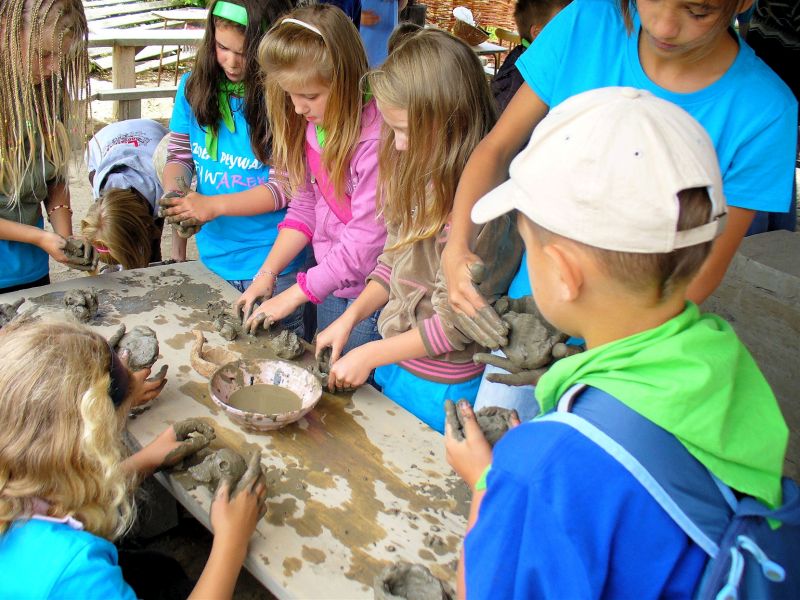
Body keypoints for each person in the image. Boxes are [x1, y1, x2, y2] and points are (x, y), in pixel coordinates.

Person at [445, 87, 788, 598]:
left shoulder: (538, 470)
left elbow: (485, 586)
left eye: (528, 243)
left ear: (561, 273)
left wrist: (489, 486)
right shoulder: (727, 366)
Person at [442, 0, 798, 319]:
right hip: (534, 304)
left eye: (697, 11)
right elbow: (497, 147)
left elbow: (704, 269)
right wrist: (458, 247)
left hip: (642, 336)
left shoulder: (765, 111)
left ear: (744, 3)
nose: (663, 26)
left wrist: (610, 349)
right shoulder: (586, 21)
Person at [315, 29, 522, 433]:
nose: (401, 145)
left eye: (407, 130)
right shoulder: (420, 175)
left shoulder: (488, 212)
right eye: (393, 130)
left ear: (453, 121)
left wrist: (371, 353)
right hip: (398, 365)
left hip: (443, 387)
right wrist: (352, 316)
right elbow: (392, 262)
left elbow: (456, 324)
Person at [0, 320, 267, 599]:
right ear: (90, 444)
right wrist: (230, 543)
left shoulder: (17, 473)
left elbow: (54, 501)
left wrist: (143, 461)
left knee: (160, 570)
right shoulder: (73, 574)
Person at [236, 4, 387, 354]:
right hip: (330, 277)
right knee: (327, 363)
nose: (298, 107)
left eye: (310, 96)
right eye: (290, 94)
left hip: (376, 284)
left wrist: (296, 294)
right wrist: (268, 274)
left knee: (350, 378)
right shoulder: (313, 127)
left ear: (346, 80)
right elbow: (305, 205)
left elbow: (367, 241)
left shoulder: (377, 140)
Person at [159, 0, 306, 334]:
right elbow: (180, 155)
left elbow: (285, 187)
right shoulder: (192, 87)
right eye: (222, 47)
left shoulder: (284, 96)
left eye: (245, 52)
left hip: (270, 267)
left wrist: (212, 205)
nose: (231, 61)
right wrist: (176, 193)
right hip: (213, 260)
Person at [0, 0, 91, 294]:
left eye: (61, 57)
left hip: (31, 271)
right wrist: (38, 237)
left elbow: (54, 177)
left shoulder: (48, 94)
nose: (53, 68)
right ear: (5, 31)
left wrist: (64, 237)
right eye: (44, 54)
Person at [82, 119, 169, 270]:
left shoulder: (163, 180)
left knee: (153, 244)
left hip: (151, 131)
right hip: (102, 140)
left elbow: (174, 224)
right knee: (110, 224)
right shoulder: (98, 179)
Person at [491, 0, 572, 113]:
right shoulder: (524, 70)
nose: (571, 32)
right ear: (537, 33)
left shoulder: (525, 57)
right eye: (563, 26)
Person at [360, 0, 408, 67]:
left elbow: (400, 6)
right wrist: (358, 16)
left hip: (388, 38)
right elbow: (342, 10)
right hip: (363, 39)